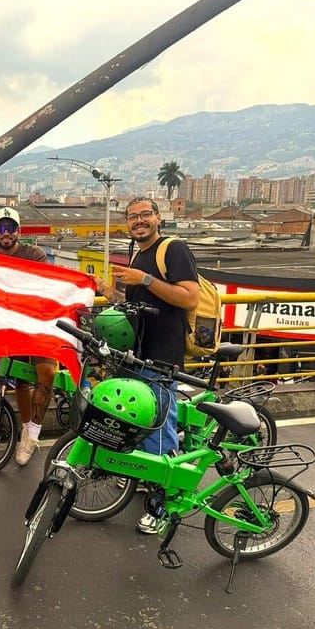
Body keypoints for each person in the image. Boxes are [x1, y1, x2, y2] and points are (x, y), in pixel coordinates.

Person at [92, 197, 200, 534]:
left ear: (158, 218)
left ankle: (163, 506)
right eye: (132, 216)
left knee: (158, 428)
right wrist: (108, 292)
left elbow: (189, 298)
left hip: (162, 355)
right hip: (137, 352)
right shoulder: (138, 253)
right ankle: (150, 474)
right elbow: (137, 304)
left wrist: (146, 279)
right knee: (140, 419)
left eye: (144, 215)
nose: (138, 221)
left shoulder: (173, 249)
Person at [0, 206, 56, 467]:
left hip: (39, 323)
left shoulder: (35, 254)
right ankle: (25, 429)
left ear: (19, 231)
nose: (6, 233)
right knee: (21, 380)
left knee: (46, 375)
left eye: (11, 228)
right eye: (1, 228)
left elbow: (44, 284)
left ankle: (34, 434)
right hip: (12, 326)